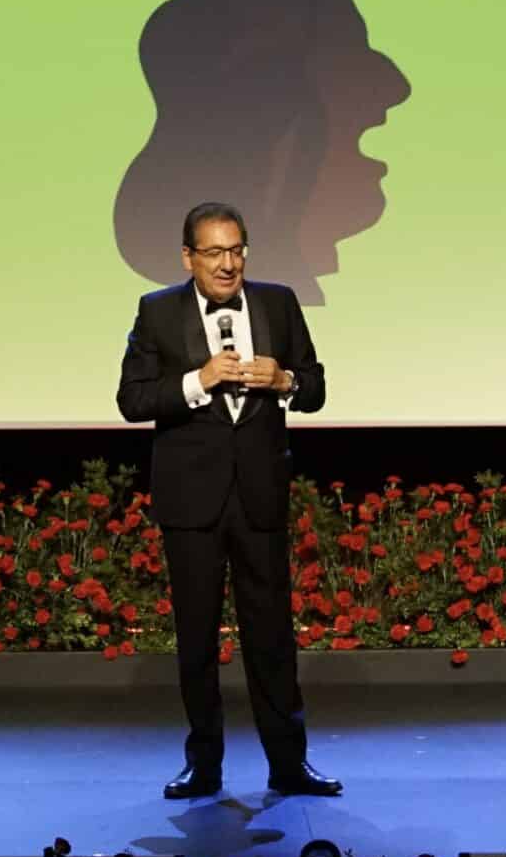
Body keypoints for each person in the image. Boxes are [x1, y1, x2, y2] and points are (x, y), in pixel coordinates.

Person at [114, 201, 340, 799]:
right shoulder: (157, 312)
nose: (228, 263)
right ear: (187, 256)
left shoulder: (278, 303)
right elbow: (132, 400)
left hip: (260, 496)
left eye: (236, 249)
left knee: (272, 638)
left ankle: (290, 765)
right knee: (197, 639)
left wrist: (285, 380)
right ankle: (204, 766)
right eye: (214, 252)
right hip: (191, 501)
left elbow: (315, 385)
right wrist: (200, 380)